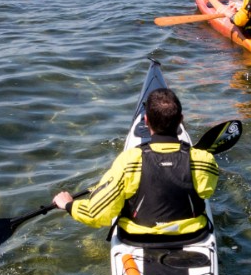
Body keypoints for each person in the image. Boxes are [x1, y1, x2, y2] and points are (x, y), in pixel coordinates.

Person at [53, 87, 219, 246]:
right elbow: (207, 191)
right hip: (192, 237)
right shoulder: (202, 160)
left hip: (138, 240)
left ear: (146, 121)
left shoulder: (129, 161)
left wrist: (69, 205)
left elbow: (97, 215)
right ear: (181, 120)